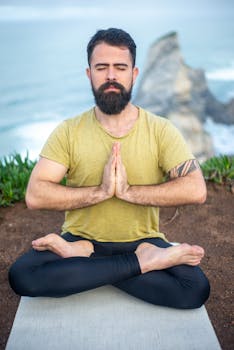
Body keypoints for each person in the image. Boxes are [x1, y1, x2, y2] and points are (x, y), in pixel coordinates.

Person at [9, 28, 210, 309]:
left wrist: (127, 192)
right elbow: (36, 194)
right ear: (89, 74)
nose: (111, 76)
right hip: (81, 238)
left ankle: (87, 263)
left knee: (194, 289)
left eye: (120, 67)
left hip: (143, 239)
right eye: (101, 67)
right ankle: (141, 262)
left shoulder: (160, 130)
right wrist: (101, 192)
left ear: (134, 74)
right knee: (22, 276)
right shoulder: (68, 131)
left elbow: (196, 189)